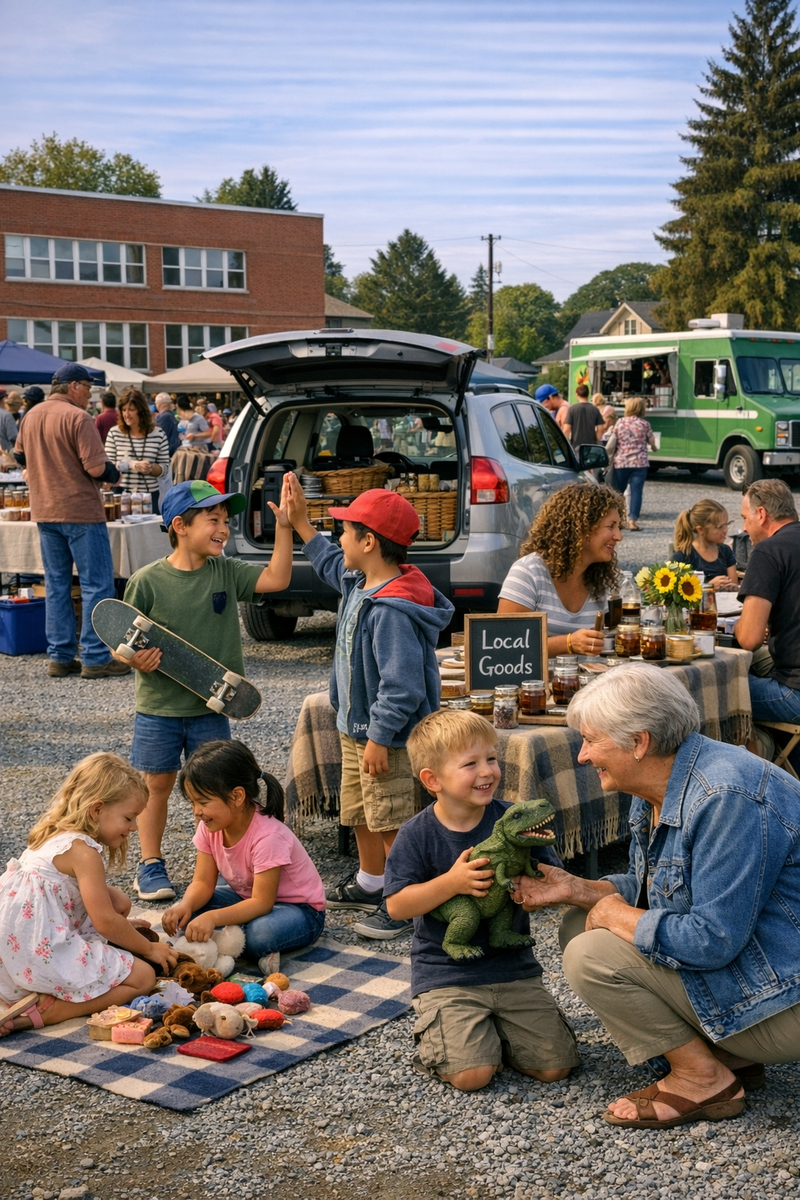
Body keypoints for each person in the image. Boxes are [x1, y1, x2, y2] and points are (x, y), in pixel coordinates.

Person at [514, 664, 800, 1130]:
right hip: (764, 960)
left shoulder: (725, 795)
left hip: (789, 997)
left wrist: (612, 913)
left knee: (592, 953)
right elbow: (658, 891)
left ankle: (701, 1079)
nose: (583, 756)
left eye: (592, 740)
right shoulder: (661, 780)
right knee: (577, 920)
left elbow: (711, 940)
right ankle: (727, 1053)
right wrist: (582, 891)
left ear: (639, 741)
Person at [286, 483, 454, 938]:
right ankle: (370, 881)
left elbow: (401, 687)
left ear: (369, 542)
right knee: (361, 809)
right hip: (355, 728)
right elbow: (326, 561)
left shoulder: (391, 610)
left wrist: (380, 737)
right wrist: (299, 522)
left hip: (387, 736)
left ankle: (402, 901)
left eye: (344, 530)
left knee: (390, 817)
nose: (337, 537)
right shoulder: (360, 581)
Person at [117, 478, 296, 902]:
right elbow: (122, 639)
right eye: (213, 519)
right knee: (156, 784)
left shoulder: (226, 571)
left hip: (214, 705)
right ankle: (150, 863)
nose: (223, 528)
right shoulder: (147, 581)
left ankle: (217, 865)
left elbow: (278, 578)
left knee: (216, 788)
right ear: (180, 525)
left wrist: (285, 527)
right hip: (159, 705)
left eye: (226, 521)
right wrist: (132, 659)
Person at [383, 709, 579, 1091]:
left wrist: (535, 892)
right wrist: (453, 882)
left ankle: (494, 1035)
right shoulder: (416, 834)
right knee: (471, 1077)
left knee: (556, 1068)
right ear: (432, 779)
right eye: (470, 763)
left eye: (491, 758)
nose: (487, 771)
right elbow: (396, 906)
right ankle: (459, 1042)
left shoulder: (514, 818)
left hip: (512, 968)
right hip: (447, 975)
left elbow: (550, 881)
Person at [0, 753, 178, 1037]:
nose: (133, 827)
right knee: (143, 977)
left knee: (120, 902)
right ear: (97, 810)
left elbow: (81, 905)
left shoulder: (52, 835)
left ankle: (28, 993)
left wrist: (124, 927)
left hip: (13, 954)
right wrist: (149, 949)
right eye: (129, 818)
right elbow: (106, 920)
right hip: (39, 953)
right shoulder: (84, 852)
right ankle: (50, 1011)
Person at [161, 740, 325, 975]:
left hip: (300, 911)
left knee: (260, 934)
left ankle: (231, 942)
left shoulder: (268, 836)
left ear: (237, 796)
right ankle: (231, 940)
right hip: (245, 898)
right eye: (193, 802)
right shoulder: (209, 826)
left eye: (203, 802)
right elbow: (203, 883)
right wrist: (186, 905)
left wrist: (213, 917)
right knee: (187, 916)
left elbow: (262, 902)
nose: (196, 811)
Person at [13, 363, 131, 680]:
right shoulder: (78, 417)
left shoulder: (31, 414)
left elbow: (19, 456)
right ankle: (94, 657)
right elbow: (96, 468)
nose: (90, 395)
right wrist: (115, 473)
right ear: (74, 386)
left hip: (44, 509)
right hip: (79, 510)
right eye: (88, 388)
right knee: (96, 585)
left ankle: (61, 655)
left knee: (56, 585)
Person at [498, 482, 624, 657]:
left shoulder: (598, 579)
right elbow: (504, 645)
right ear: (582, 527)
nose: (619, 536)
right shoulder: (529, 572)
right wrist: (568, 643)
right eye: (611, 526)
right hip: (536, 683)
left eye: (619, 527)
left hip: (587, 680)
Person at [734, 480, 800, 741]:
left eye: (744, 517)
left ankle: (761, 762)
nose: (743, 527)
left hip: (794, 693)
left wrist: (739, 624)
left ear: (761, 514)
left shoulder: (769, 551)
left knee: (710, 693)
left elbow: (748, 639)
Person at [104, 387, 170, 515]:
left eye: (131, 410)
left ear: (141, 410)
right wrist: (131, 465)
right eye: (123, 410)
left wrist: (151, 468)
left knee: (150, 533)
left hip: (149, 496)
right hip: (122, 495)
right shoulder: (114, 433)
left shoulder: (158, 434)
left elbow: (165, 468)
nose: (126, 414)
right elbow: (108, 465)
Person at [609, 396, 656, 531]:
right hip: (639, 463)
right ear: (641, 409)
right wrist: (654, 448)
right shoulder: (645, 424)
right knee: (636, 492)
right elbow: (652, 442)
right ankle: (632, 521)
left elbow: (613, 440)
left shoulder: (620, 423)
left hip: (621, 462)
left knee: (618, 491)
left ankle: (616, 520)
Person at [673, 499, 738, 589]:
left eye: (727, 524)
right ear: (700, 530)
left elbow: (734, 587)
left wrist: (732, 586)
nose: (725, 530)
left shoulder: (726, 551)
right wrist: (709, 586)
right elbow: (678, 595)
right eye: (720, 527)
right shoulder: (683, 557)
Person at [562, 384, 604, 448]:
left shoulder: (572, 409)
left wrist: (567, 446)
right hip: (591, 446)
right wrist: (597, 441)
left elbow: (566, 430)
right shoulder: (595, 409)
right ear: (588, 394)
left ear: (577, 394)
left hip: (576, 445)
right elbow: (600, 429)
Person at [155, 393, 181, 457]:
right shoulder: (170, 415)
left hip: (165, 452)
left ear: (159, 404)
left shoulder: (164, 417)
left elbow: (158, 436)